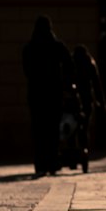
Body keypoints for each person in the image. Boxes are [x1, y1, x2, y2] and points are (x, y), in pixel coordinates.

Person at [21, 15, 73, 177]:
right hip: (53, 94)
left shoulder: (30, 47)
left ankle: (40, 164)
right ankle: (52, 162)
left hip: (36, 94)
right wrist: (65, 83)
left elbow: (27, 70)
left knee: (38, 130)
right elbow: (69, 64)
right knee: (52, 130)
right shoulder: (57, 46)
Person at [71, 44, 105, 173]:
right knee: (84, 129)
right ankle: (84, 152)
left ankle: (73, 156)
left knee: (72, 128)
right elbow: (97, 85)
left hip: (73, 101)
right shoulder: (90, 63)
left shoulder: (72, 62)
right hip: (86, 100)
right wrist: (101, 102)